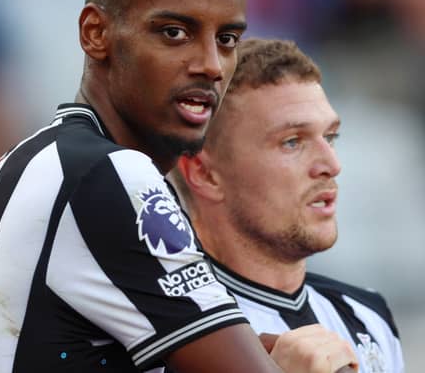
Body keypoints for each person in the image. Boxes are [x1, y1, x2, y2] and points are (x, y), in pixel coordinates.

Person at [0, 0, 357, 373]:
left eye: (227, 39)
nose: (210, 64)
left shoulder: (45, 161)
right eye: (174, 32)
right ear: (96, 33)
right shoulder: (107, 176)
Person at [170, 37, 405, 373]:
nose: (331, 164)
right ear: (205, 173)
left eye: (330, 137)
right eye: (292, 142)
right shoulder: (160, 338)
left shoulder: (366, 316)